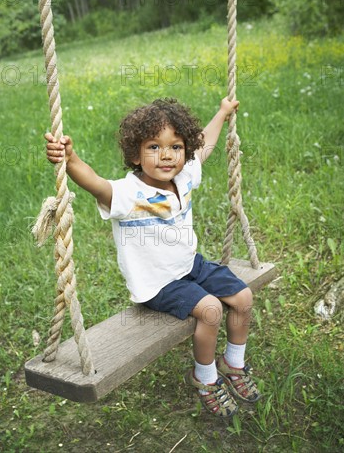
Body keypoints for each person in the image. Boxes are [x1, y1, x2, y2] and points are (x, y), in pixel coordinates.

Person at [45, 97, 261, 418]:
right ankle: (204, 379)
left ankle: (234, 363)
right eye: (154, 148)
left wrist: (222, 112)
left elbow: (205, 145)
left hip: (190, 265)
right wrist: (70, 158)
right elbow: (95, 183)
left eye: (175, 147)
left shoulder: (185, 177)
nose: (166, 155)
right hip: (159, 284)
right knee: (212, 311)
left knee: (243, 297)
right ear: (135, 154)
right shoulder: (129, 195)